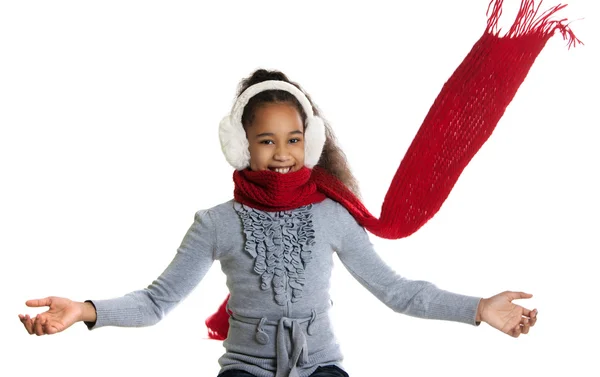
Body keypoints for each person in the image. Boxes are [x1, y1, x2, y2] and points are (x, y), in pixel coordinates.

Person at [19, 69, 538, 377]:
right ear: (241, 145)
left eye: (293, 139)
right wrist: (86, 310)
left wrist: (477, 309)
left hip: (322, 368)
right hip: (245, 371)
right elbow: (157, 302)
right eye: (267, 140)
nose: (283, 153)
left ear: (309, 142)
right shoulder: (214, 223)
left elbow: (397, 292)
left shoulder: (332, 216)